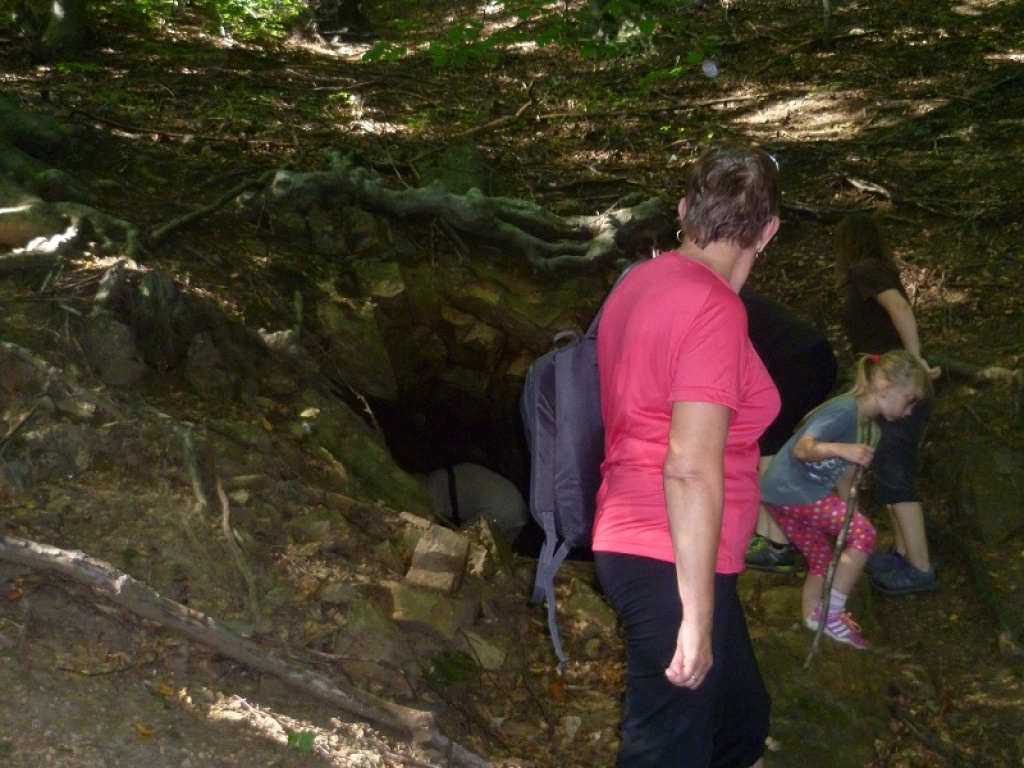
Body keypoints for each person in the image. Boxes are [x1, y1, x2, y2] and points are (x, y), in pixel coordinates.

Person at [592, 146, 781, 768]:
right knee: (667, 749)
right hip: (669, 551)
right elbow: (689, 466)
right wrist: (695, 617)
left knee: (739, 723)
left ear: (682, 210)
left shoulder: (638, 282)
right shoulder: (713, 308)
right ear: (768, 231)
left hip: (644, 536)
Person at [760, 350, 933, 648]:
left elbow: (846, 475)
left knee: (821, 556)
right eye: (909, 402)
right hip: (794, 489)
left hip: (780, 496)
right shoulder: (844, 410)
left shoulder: (869, 428)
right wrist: (842, 450)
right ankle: (831, 615)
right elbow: (803, 449)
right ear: (886, 387)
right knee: (865, 534)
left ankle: (813, 621)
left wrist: (849, 513)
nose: (908, 413)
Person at [835, 214, 942, 595]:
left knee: (895, 473)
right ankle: (902, 552)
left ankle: (920, 566)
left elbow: (899, 308)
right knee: (888, 468)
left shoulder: (865, 270)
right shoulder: (875, 271)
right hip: (889, 385)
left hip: (898, 387)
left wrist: (914, 360)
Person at [741, 288, 838, 573]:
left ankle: (777, 543)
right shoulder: (727, 290)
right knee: (768, 442)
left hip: (797, 361)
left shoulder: (716, 297)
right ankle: (771, 535)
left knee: (766, 444)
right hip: (807, 358)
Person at [422, 463, 530, 545]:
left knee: (464, 546)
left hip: (502, 510)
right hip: (512, 504)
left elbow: (461, 540)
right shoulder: (440, 479)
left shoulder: (434, 496)